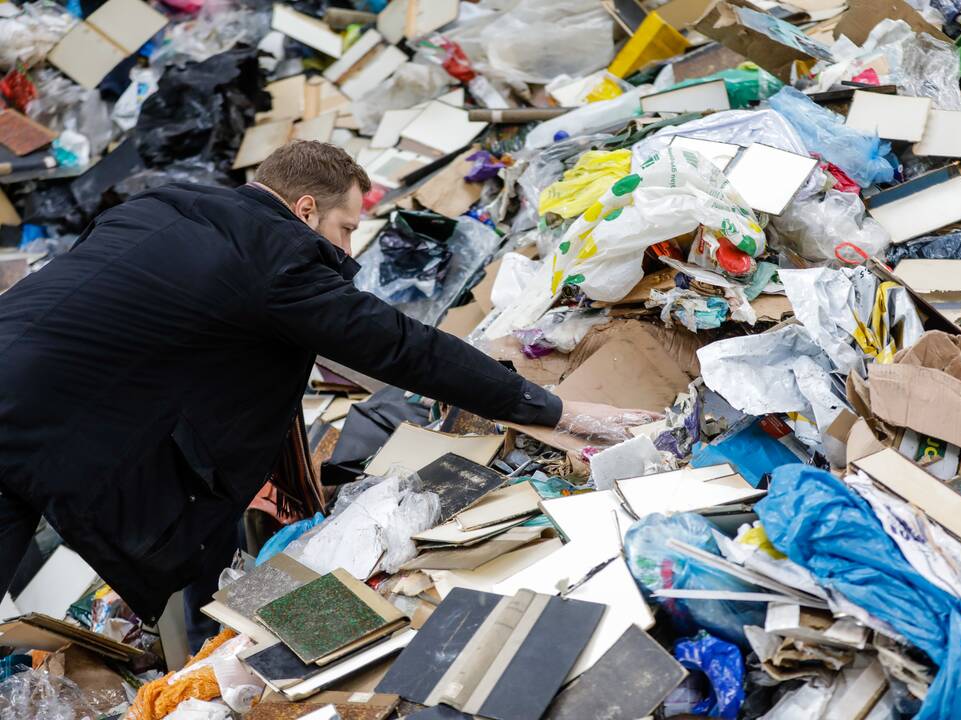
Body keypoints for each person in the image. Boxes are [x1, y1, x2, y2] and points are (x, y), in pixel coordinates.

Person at [0, 141, 653, 629]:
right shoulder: (277, 258)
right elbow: (404, 349)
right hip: (26, 419)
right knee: (192, 517)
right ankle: (219, 652)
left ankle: (215, 644)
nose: (347, 251)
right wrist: (557, 408)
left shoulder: (168, 206)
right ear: (306, 208)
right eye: (345, 230)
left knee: (206, 520)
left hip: (27, 379)